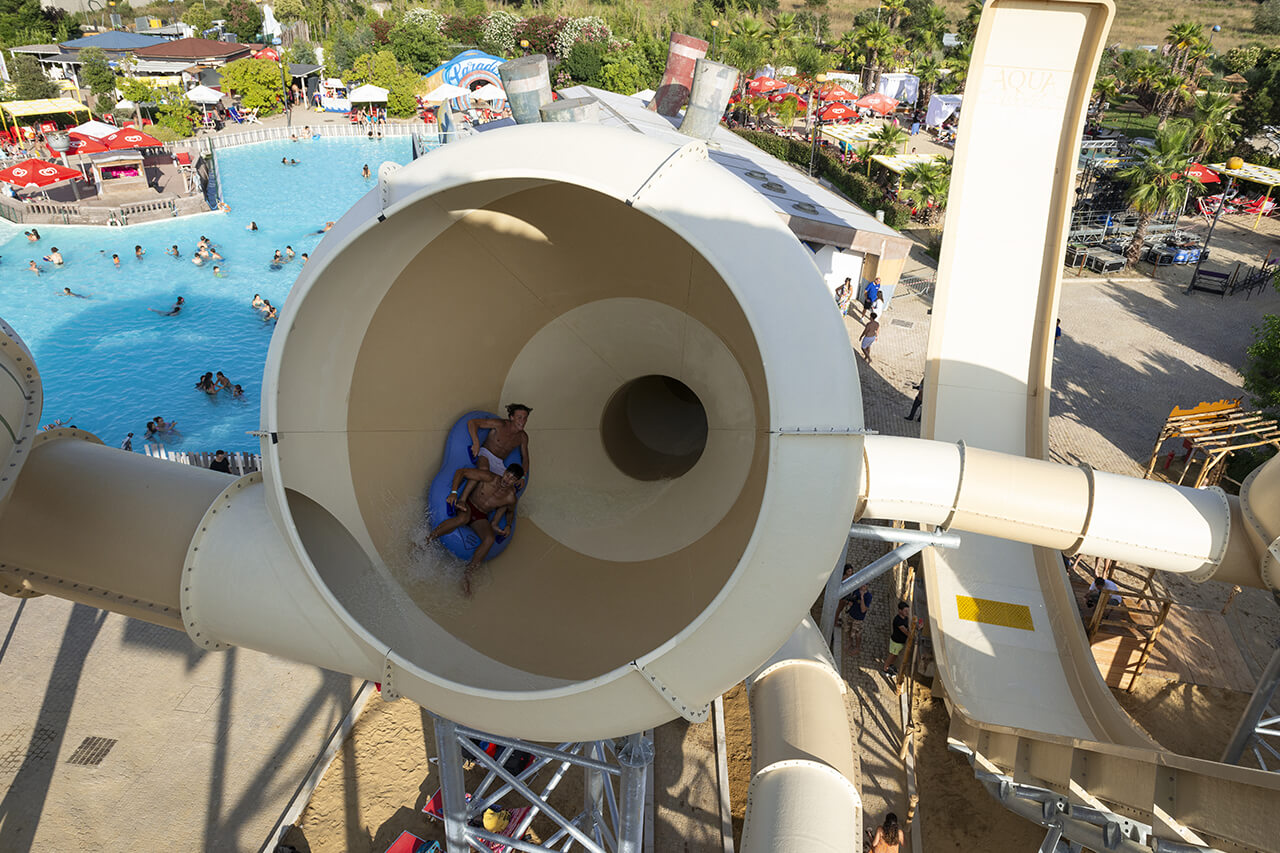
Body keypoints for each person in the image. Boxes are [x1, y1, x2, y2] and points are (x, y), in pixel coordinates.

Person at [424, 464, 525, 593]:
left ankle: (467, 574)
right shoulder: (489, 477)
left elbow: (510, 512)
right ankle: (428, 540)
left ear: (516, 482)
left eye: (512, 479)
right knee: (462, 519)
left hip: (481, 516)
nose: (507, 479)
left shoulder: (510, 498)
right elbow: (461, 471)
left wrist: (508, 525)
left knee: (489, 539)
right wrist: (454, 493)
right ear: (504, 472)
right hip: (468, 505)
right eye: (507, 475)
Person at [468, 404, 532, 476]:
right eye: (519, 417)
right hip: (485, 454)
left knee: (507, 485)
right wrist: (476, 443)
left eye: (525, 418)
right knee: (485, 471)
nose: (522, 421)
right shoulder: (500, 424)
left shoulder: (523, 437)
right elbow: (472, 423)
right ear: (512, 417)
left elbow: (525, 458)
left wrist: (523, 476)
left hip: (499, 462)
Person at [841, 573, 873, 657]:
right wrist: (849, 602)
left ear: (867, 586)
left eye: (864, 585)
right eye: (861, 584)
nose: (862, 587)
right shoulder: (856, 591)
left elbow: (863, 610)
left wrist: (862, 597)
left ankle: (857, 648)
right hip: (851, 615)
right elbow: (851, 601)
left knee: (857, 634)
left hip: (858, 618)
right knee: (848, 630)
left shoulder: (868, 597)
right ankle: (850, 642)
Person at [884, 600, 910, 676]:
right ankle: (885, 668)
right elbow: (907, 633)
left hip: (900, 642)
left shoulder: (905, 618)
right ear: (900, 611)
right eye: (905, 611)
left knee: (895, 655)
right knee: (892, 655)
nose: (907, 612)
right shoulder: (898, 621)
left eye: (907, 610)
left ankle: (890, 665)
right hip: (896, 642)